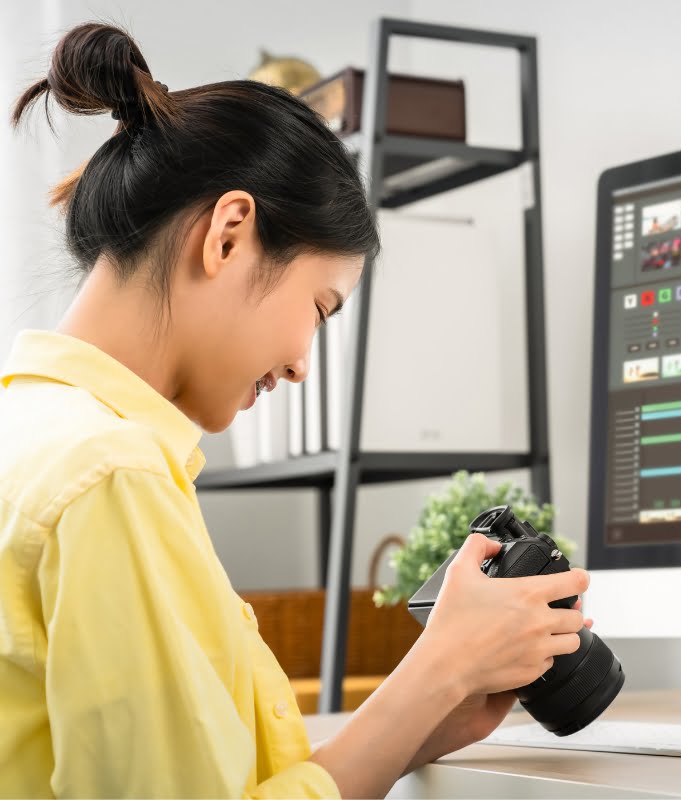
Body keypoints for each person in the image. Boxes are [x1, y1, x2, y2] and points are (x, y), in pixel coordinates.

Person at [0, 23, 591, 799]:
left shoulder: (38, 434)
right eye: (317, 307)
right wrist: (437, 666)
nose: (302, 365)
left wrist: (425, 712)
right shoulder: (111, 477)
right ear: (230, 234)